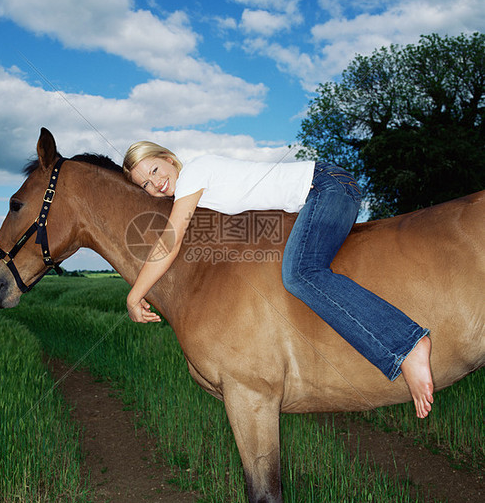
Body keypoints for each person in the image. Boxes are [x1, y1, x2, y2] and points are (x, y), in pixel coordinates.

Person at [122, 142, 434, 419]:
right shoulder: (199, 193)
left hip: (325, 186)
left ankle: (407, 343)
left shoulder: (193, 174)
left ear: (167, 158)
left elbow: (170, 242)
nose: (156, 183)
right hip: (320, 193)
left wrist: (135, 295)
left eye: (154, 170)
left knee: (300, 273)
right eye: (146, 184)